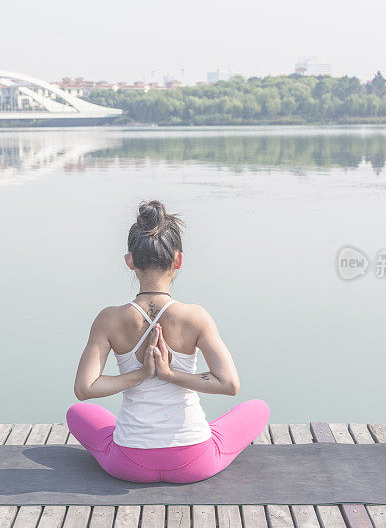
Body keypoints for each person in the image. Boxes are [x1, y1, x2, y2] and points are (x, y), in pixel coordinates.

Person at [68, 200, 270, 483]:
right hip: (194, 460)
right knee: (258, 408)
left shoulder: (109, 319)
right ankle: (196, 431)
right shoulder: (196, 317)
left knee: (78, 412)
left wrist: (141, 375)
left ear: (130, 261)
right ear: (178, 260)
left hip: (129, 461)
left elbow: (84, 389)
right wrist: (170, 375)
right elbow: (229, 384)